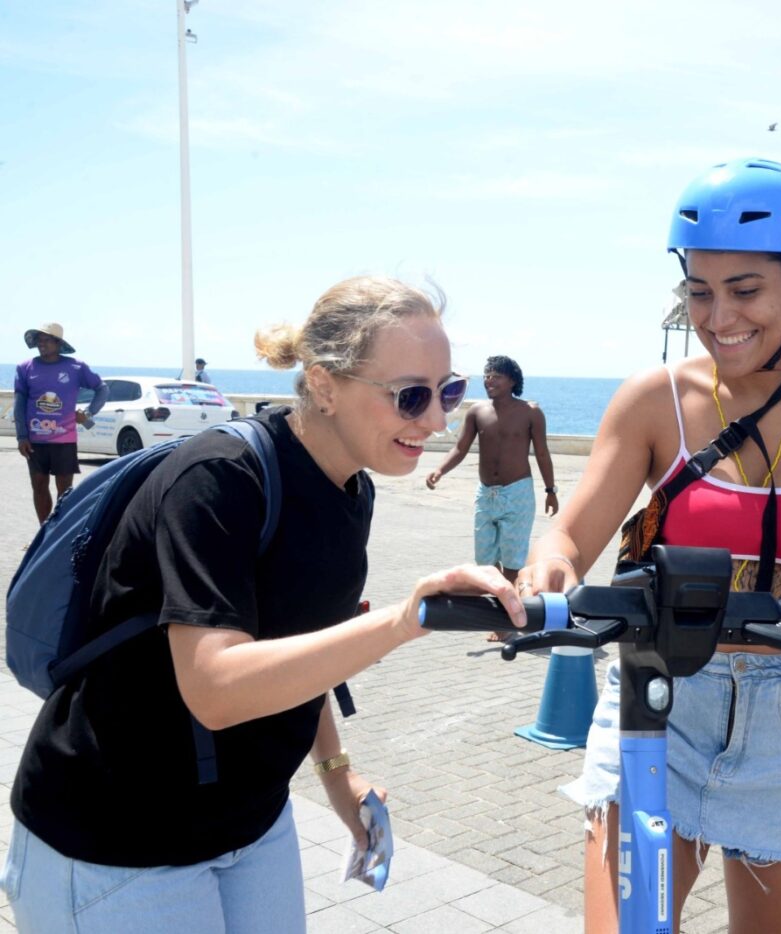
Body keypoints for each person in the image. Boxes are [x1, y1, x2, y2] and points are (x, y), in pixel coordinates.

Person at [3, 277, 526, 932]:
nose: (437, 420)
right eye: (411, 396)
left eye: (448, 391)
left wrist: (337, 776)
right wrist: (405, 619)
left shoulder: (350, 488)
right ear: (325, 384)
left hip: (250, 820)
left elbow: (299, 649)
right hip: (116, 838)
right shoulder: (219, 480)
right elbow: (216, 689)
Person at [517, 157, 781, 933]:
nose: (719, 316)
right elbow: (571, 531)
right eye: (699, 291)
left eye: (746, 290)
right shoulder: (656, 397)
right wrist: (551, 568)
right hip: (659, 694)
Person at [425, 354, 558, 583]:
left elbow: (543, 454)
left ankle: (511, 609)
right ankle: (496, 601)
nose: (489, 381)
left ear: (512, 381)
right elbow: (460, 448)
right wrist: (439, 470)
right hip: (486, 494)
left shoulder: (530, 412)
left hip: (517, 493)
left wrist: (550, 491)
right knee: (485, 560)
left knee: (513, 561)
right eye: (487, 376)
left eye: (496, 376)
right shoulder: (477, 411)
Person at [14, 322, 109, 523]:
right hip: (35, 440)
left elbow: (102, 389)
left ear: (58, 343)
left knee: (64, 491)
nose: (42, 344)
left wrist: (89, 413)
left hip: (64, 440)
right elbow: (19, 404)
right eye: (39, 340)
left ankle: (59, 532)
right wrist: (22, 436)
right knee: (39, 486)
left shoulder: (76, 367)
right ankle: (43, 534)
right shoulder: (25, 368)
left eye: (47, 340)